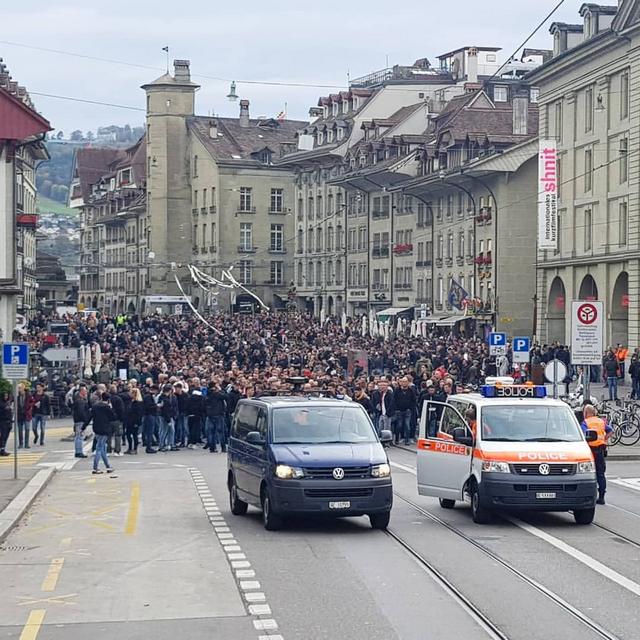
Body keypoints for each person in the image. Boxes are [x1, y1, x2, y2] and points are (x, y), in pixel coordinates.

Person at [581, 404, 612, 505]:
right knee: (600, 473)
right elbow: (610, 431)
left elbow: (583, 435)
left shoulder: (585, 422)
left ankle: (587, 496)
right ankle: (602, 496)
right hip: (600, 450)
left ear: (586, 413)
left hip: (589, 451)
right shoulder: (601, 421)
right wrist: (604, 439)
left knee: (587, 473)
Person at [89, 392, 117, 475]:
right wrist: (111, 408)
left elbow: (90, 417)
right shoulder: (107, 407)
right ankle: (95, 468)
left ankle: (108, 466)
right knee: (99, 448)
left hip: (96, 428)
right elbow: (113, 417)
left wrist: (83, 427)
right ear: (108, 400)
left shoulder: (95, 406)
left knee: (103, 448)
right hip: (104, 429)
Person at [394, 376, 417, 446]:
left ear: (408, 382)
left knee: (407, 426)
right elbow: (394, 400)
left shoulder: (411, 391)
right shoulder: (397, 390)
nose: (404, 383)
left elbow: (414, 400)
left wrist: (410, 408)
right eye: (402, 381)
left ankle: (407, 440)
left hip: (407, 411)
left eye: (405, 382)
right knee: (399, 425)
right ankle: (397, 438)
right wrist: (396, 409)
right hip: (399, 411)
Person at [72, 385, 90, 458]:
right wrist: (85, 420)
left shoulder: (78, 400)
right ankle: (79, 452)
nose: (86, 392)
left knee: (79, 436)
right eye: (85, 391)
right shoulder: (81, 401)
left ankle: (78, 451)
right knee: (79, 436)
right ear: (81, 391)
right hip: (80, 421)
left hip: (77, 420)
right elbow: (81, 412)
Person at [125, 387, 144, 454]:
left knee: (134, 435)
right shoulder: (131, 401)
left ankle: (135, 449)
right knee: (128, 434)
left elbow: (139, 414)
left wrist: (137, 422)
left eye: (132, 393)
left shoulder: (138, 403)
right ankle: (130, 448)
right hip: (129, 420)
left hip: (134, 421)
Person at [16, 383, 35, 449]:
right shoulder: (17, 395)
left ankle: (26, 444)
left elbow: (33, 402)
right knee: (20, 430)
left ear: (23, 388)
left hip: (27, 415)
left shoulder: (28, 395)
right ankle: (21, 444)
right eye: (18, 388)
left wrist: (29, 406)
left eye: (20, 388)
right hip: (19, 415)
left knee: (27, 429)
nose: (19, 389)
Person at [0, 391, 13, 457]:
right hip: (3, 421)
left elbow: (10, 412)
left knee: (6, 436)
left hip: (9, 422)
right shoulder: (1, 403)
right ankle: (2, 450)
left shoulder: (8, 403)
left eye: (7, 396)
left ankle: (3, 449)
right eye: (5, 396)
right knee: (3, 436)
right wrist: (6, 407)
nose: (6, 397)